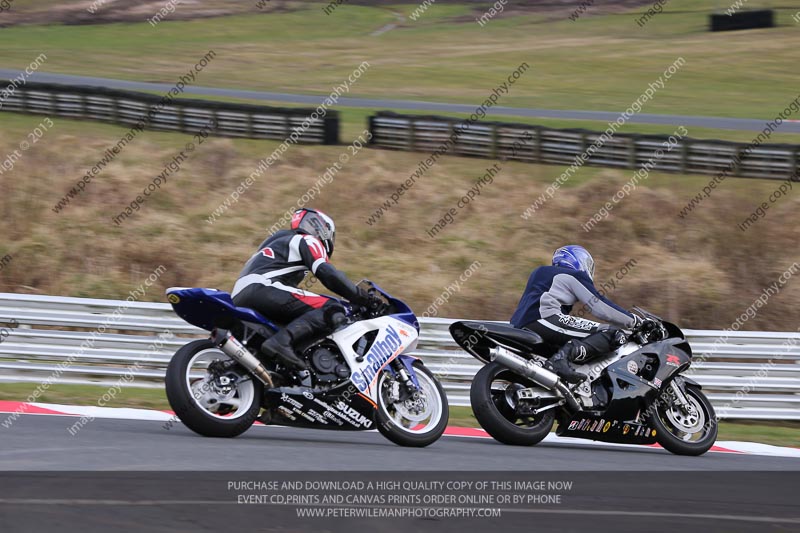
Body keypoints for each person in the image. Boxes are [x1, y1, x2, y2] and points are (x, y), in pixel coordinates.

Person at [231, 208, 379, 370]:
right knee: (332, 308)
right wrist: (363, 298)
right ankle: (281, 343)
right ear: (322, 229)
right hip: (263, 288)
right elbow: (328, 274)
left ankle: (285, 361)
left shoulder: (277, 245)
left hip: (239, 296)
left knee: (304, 314)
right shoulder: (306, 239)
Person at [510, 245, 644, 384]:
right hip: (545, 319)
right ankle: (560, 360)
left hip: (518, 325)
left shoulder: (539, 272)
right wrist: (635, 321)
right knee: (612, 333)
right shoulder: (574, 275)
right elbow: (600, 306)